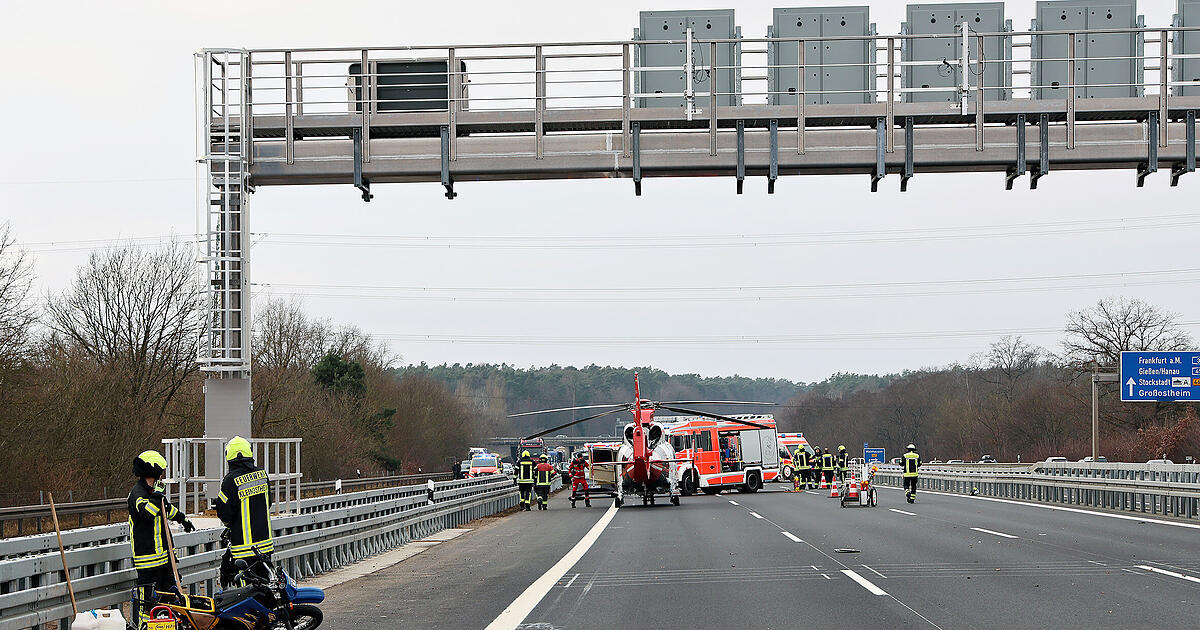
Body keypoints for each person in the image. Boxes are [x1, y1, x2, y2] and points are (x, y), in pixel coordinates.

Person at [128, 450, 194, 630]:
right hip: (148, 559)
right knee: (148, 604)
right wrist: (157, 496)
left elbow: (166, 509)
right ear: (154, 469)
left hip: (164, 558)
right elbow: (147, 514)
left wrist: (182, 519)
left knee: (169, 599)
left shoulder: (153, 492)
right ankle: (144, 627)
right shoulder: (138, 493)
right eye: (161, 470)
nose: (162, 474)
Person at [214, 437, 274, 588]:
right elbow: (268, 504)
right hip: (265, 545)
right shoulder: (262, 475)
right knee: (266, 586)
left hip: (244, 549)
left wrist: (230, 525)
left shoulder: (230, 481)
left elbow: (224, 513)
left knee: (247, 591)